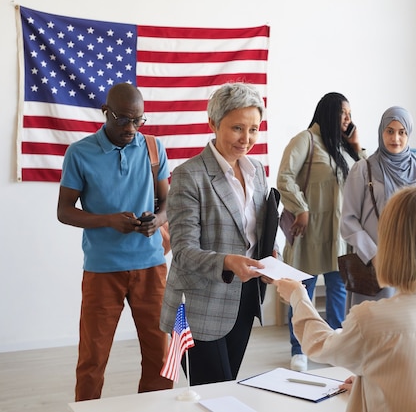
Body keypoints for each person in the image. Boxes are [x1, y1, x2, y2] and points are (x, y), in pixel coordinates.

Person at [275, 186, 416, 412]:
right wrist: (373, 381)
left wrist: (299, 297)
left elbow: (321, 345)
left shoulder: (372, 318)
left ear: (391, 244)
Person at [57, 83, 172, 401]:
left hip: (151, 266)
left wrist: (156, 221)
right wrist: (108, 220)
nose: (131, 128)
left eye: (139, 120)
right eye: (123, 120)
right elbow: (64, 211)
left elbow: (167, 204)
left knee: (161, 356)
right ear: (106, 113)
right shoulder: (79, 153)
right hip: (102, 269)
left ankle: (156, 407)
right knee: (93, 358)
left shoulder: (152, 148)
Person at [159, 83, 274, 385]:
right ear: (213, 123)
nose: (246, 139)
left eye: (253, 129)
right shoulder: (188, 175)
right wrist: (228, 262)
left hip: (244, 299)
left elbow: (254, 231)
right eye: (237, 127)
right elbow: (183, 252)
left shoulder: (257, 171)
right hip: (199, 304)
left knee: (225, 388)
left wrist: (272, 253)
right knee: (213, 392)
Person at [276, 92, 366, 371]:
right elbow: (285, 177)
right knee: (302, 291)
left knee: (339, 292)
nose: (349, 120)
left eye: (350, 115)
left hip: (338, 234)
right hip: (309, 233)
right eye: (344, 114)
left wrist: (356, 145)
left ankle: (334, 345)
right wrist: (301, 208)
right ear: (329, 112)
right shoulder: (306, 140)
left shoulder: (343, 148)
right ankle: (298, 348)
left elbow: (367, 175)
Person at [341, 106, 416, 309]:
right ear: (381, 132)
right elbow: (348, 220)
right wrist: (375, 255)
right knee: (371, 329)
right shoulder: (363, 170)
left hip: (413, 268)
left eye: (402, 132)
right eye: (390, 131)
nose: (396, 138)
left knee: (406, 329)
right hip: (374, 268)